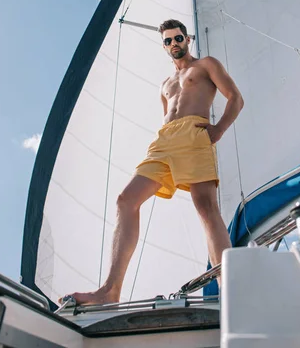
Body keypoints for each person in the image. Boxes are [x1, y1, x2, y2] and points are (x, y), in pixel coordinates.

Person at [61, 18, 244, 305]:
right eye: (169, 41)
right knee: (126, 200)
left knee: (206, 207)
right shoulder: (165, 84)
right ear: (164, 46)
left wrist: (218, 129)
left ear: (188, 39)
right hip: (164, 141)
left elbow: (235, 98)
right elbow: (165, 117)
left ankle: (229, 287)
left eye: (178, 38)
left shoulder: (206, 65)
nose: (174, 44)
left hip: (196, 134)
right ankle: (110, 291)